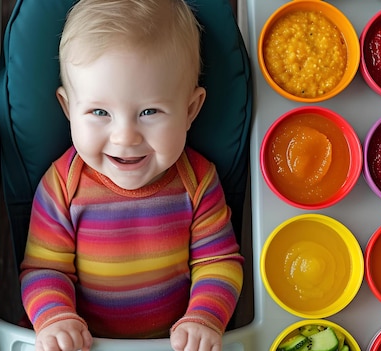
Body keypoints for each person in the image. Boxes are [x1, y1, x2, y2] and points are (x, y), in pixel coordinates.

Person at [19, 1, 244, 350]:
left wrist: (204, 319)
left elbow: (219, 263)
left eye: (149, 111)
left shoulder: (198, 180)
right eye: (99, 112)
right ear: (68, 110)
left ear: (190, 110)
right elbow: (44, 271)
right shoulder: (62, 185)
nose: (125, 137)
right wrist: (57, 319)